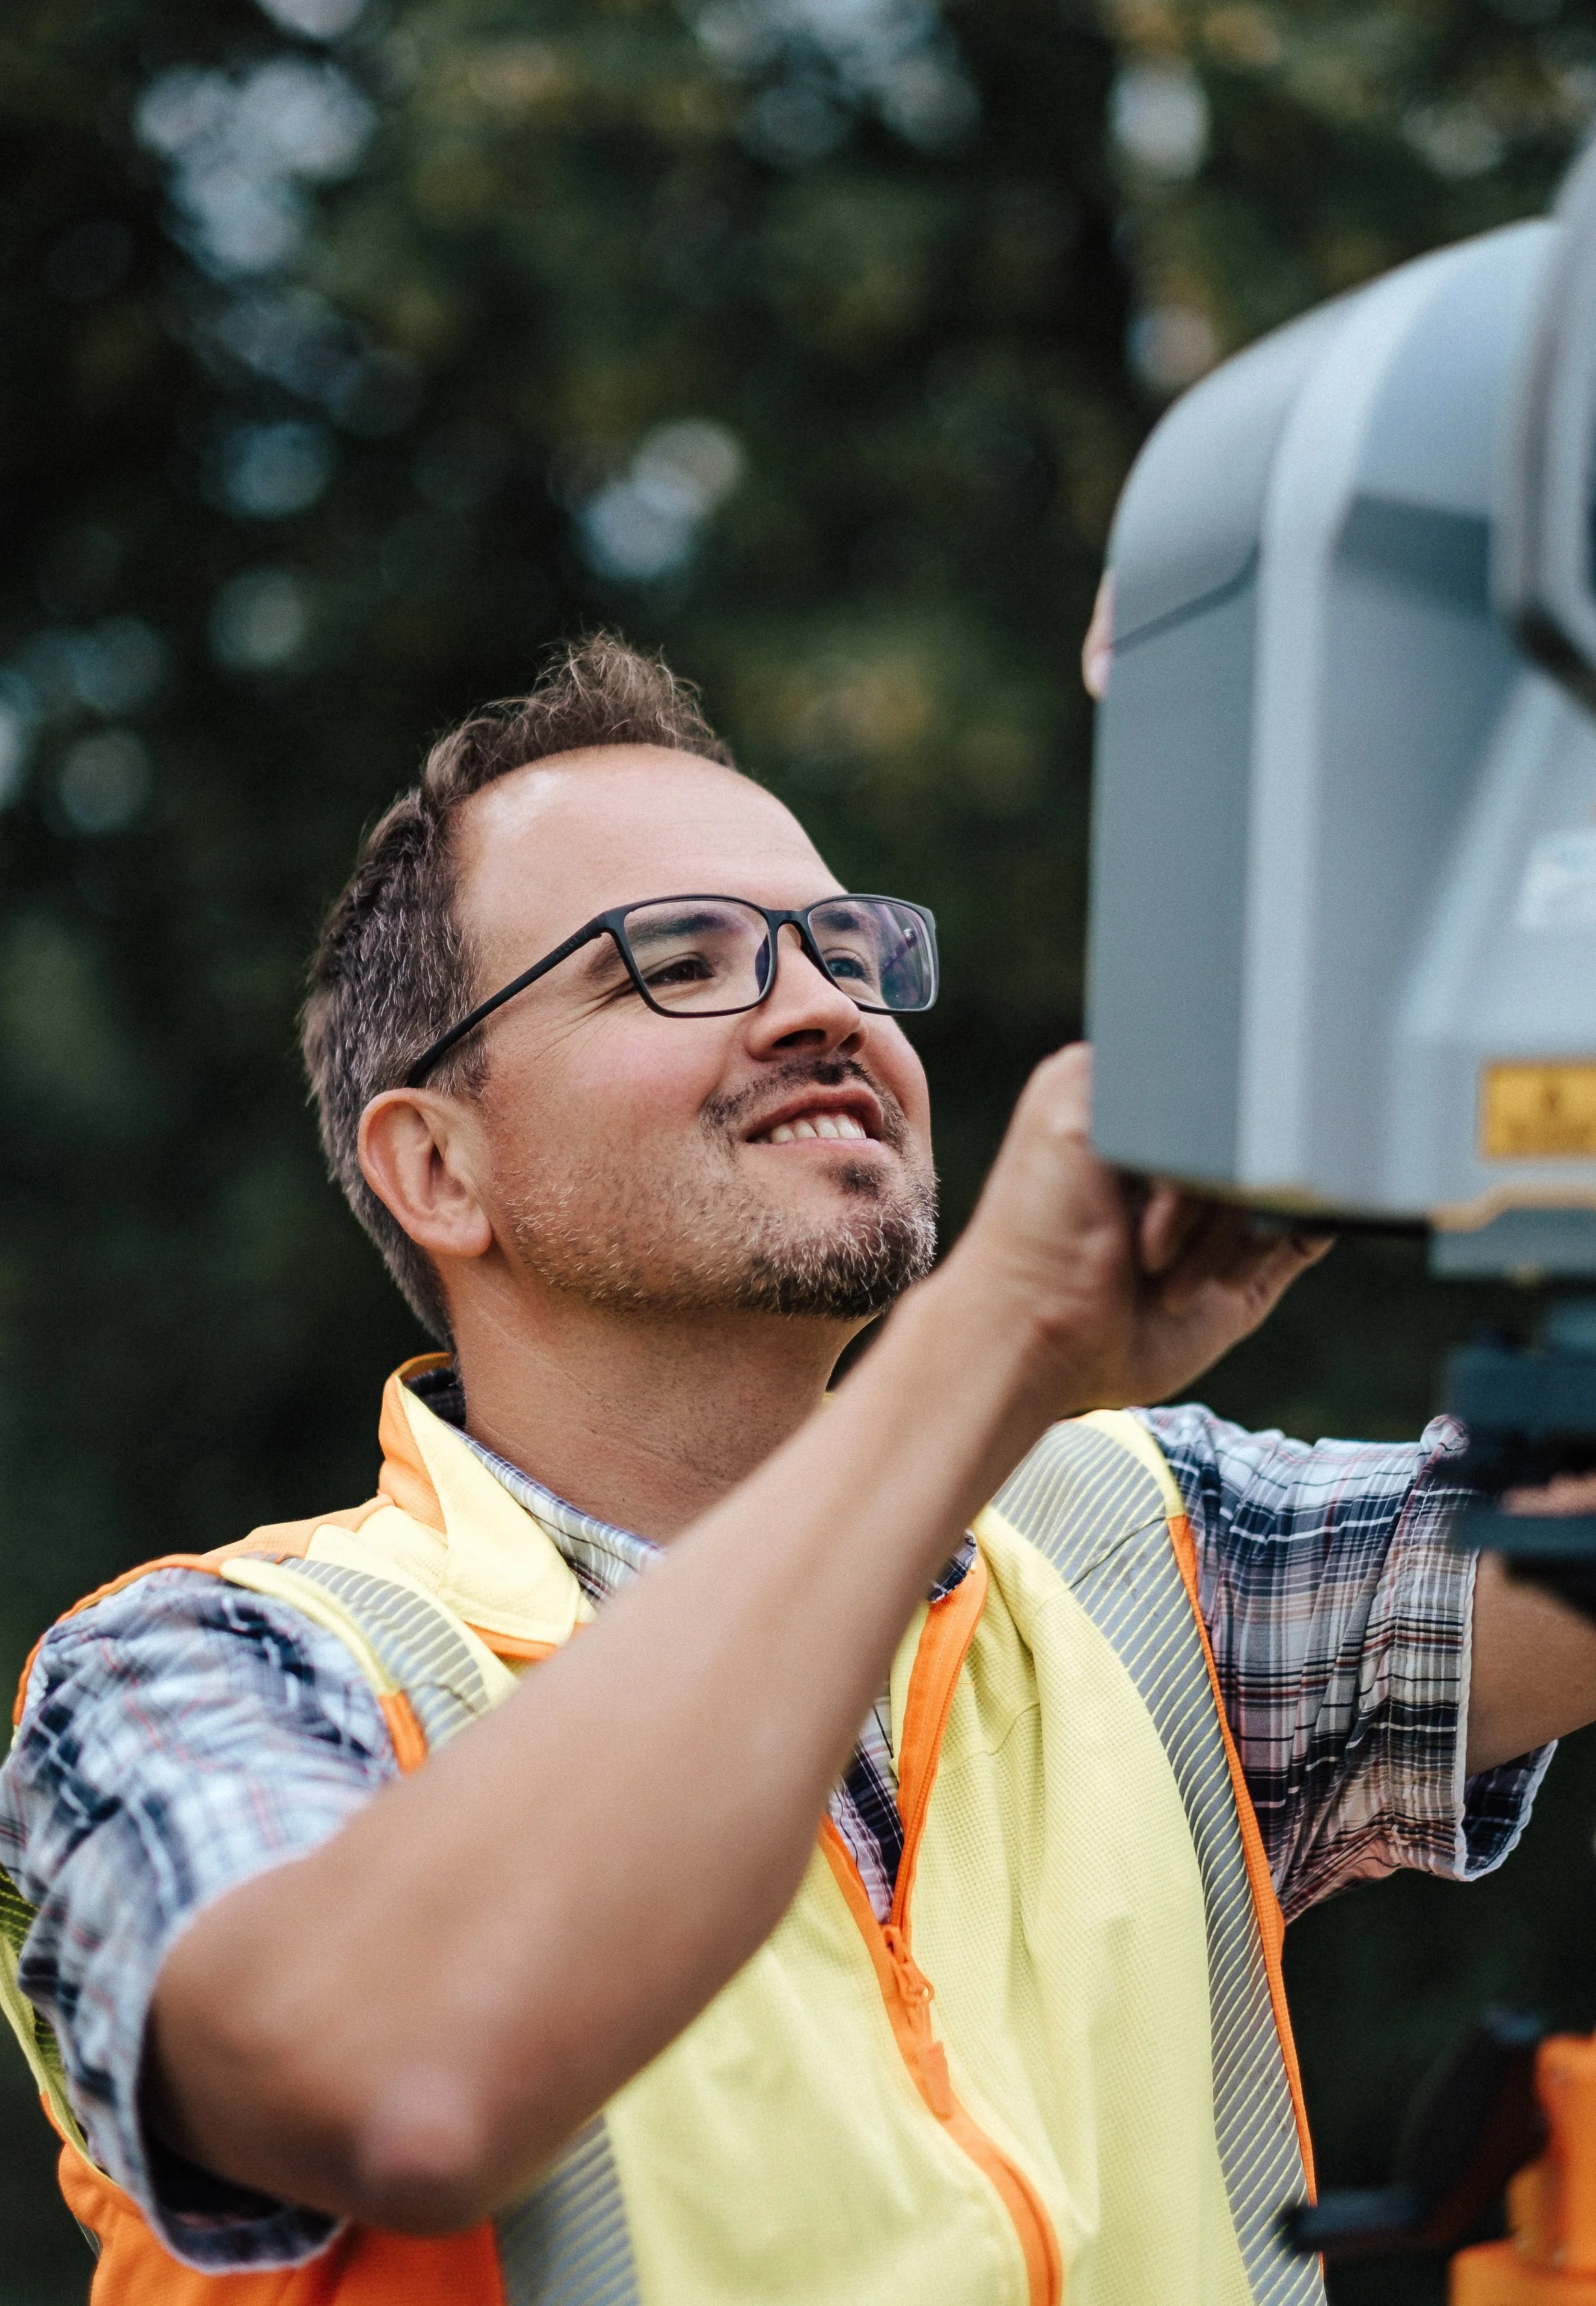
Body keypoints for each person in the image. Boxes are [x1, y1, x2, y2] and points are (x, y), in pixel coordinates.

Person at [3, 632, 1595, 2306]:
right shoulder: (201, 1671)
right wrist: (993, 1342)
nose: (827, 1007)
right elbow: (393, 2077)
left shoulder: (1130, 1546)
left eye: (843, 949)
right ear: (438, 1166)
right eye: (675, 959)